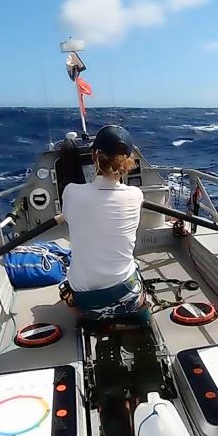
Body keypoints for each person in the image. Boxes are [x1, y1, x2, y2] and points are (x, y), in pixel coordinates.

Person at [60, 125, 148, 322]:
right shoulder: (136, 195)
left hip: (86, 305)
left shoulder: (71, 192)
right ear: (128, 160)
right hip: (128, 298)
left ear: (95, 156)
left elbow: (68, 216)